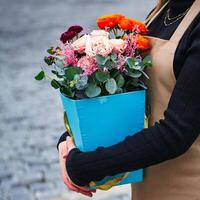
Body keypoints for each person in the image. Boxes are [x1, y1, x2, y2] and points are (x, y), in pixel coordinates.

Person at [57, 0, 200, 199]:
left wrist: (83, 166)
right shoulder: (163, 10)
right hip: (148, 188)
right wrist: (71, 141)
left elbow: (176, 133)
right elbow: (129, 98)